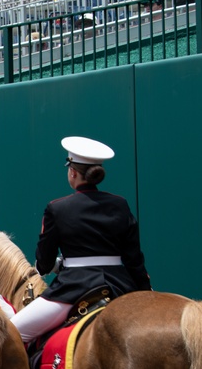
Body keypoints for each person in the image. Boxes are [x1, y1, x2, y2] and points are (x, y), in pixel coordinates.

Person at [10, 136, 151, 346]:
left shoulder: (57, 208)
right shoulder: (121, 205)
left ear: (73, 172)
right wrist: (146, 292)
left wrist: (51, 265)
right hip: (119, 286)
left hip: (74, 288)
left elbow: (44, 263)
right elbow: (134, 260)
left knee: (10, 333)